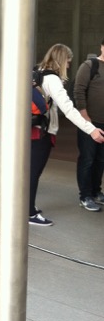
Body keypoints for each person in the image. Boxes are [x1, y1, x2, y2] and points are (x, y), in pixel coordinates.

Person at [29, 43, 104, 226]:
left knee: (31, 171)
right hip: (41, 132)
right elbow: (69, 110)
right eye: (68, 61)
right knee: (33, 172)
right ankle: (29, 213)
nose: (69, 65)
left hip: (33, 129)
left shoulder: (38, 71)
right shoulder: (52, 79)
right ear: (62, 60)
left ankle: (28, 208)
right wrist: (91, 129)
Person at [73, 39, 104, 211]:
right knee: (88, 159)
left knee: (101, 160)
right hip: (89, 123)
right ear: (101, 47)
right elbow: (78, 91)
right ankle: (85, 196)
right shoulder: (90, 66)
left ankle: (95, 191)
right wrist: (86, 120)